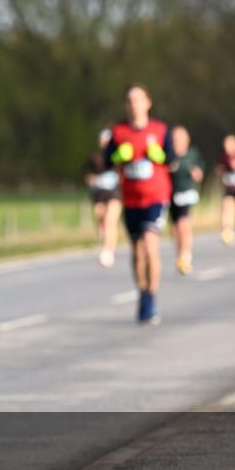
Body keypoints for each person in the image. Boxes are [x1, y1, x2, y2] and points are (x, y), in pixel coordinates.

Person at [105, 84, 174, 324]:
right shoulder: (118, 132)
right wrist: (116, 156)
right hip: (131, 199)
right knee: (136, 252)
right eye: (130, 101)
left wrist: (161, 156)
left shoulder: (161, 130)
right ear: (126, 105)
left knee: (150, 244)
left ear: (148, 103)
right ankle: (142, 292)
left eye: (138, 100)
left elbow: (173, 160)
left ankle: (151, 298)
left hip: (155, 197)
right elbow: (104, 164)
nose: (134, 105)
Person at [167, 126, 205, 275]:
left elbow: (200, 170)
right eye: (175, 139)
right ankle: (180, 253)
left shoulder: (193, 154)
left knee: (184, 223)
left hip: (186, 193)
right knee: (174, 228)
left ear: (187, 140)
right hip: (170, 194)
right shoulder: (169, 154)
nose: (178, 142)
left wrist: (197, 173)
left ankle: (185, 254)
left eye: (181, 139)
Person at [83, 128, 122, 267]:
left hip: (114, 194)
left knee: (109, 220)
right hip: (98, 194)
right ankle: (105, 245)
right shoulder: (94, 158)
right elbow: (86, 176)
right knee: (101, 221)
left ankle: (108, 250)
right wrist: (93, 180)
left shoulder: (118, 156)